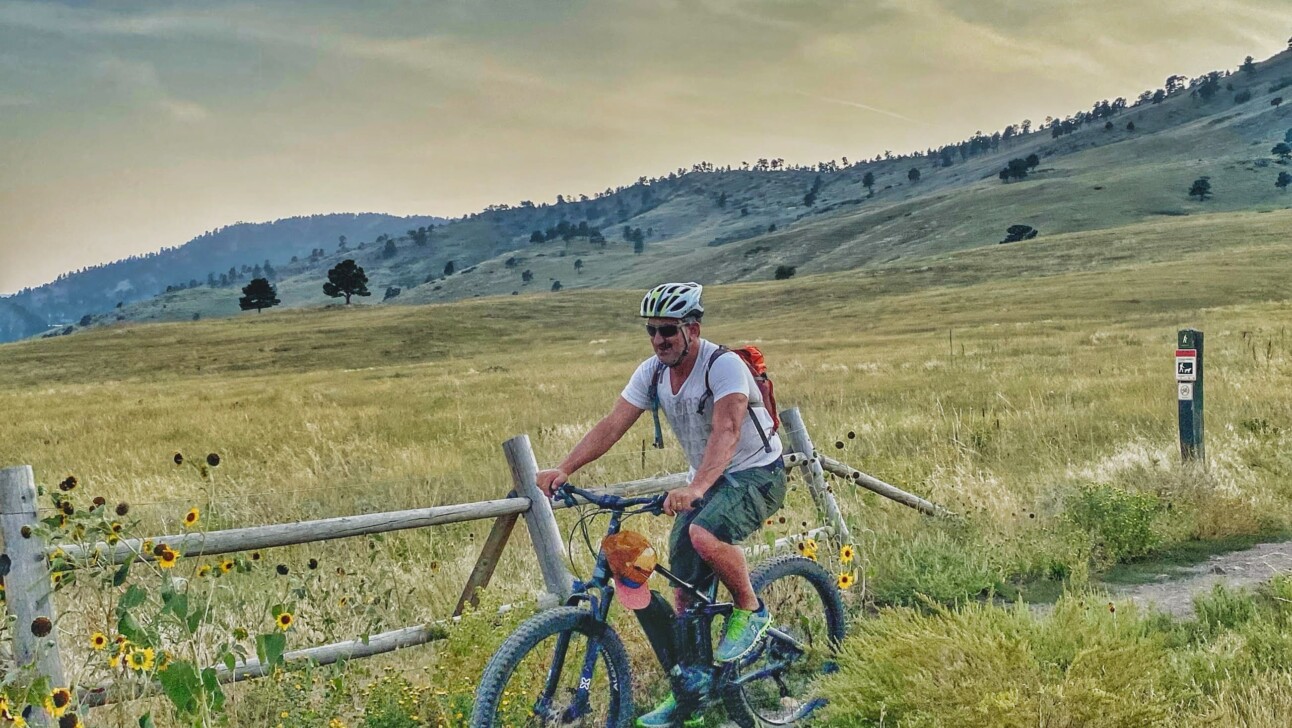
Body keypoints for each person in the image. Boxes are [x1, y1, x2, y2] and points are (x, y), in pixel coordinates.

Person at [536, 281, 786, 728]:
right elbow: (613, 423)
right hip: (709, 478)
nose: (658, 340)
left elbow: (727, 431)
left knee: (702, 532)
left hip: (756, 473)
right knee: (682, 591)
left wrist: (697, 487)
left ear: (693, 327)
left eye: (668, 330)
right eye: (651, 331)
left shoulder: (723, 365)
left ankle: (751, 608)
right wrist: (564, 469)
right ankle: (690, 689)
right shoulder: (650, 372)